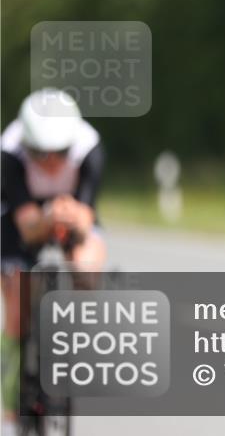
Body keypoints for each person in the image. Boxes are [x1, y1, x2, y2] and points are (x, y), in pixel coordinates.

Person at [0, 89, 107, 427]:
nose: (49, 162)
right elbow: (28, 226)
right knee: (17, 307)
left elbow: (86, 217)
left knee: (87, 267)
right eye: (39, 153)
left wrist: (71, 218)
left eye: (59, 153)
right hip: (20, 218)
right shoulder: (9, 151)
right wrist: (47, 218)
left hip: (71, 209)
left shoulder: (89, 147)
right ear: (26, 145)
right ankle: (11, 401)